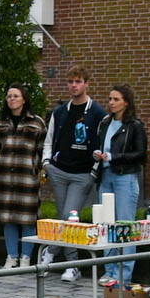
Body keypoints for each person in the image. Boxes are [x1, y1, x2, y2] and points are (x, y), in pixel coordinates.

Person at [42, 67, 105, 283]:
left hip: (82, 174)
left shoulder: (97, 113)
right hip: (59, 170)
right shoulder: (60, 112)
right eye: (70, 82)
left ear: (87, 83)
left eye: (78, 81)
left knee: (69, 216)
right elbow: (49, 138)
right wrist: (47, 163)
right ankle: (71, 264)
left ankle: (54, 252)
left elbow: (102, 142)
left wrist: (93, 172)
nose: (73, 86)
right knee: (65, 216)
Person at [93, 84, 149, 287]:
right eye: (109, 99)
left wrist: (114, 157)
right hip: (106, 174)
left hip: (125, 177)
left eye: (116, 99)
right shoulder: (106, 123)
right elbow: (101, 146)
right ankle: (109, 270)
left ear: (126, 102)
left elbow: (141, 154)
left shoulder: (135, 125)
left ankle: (124, 274)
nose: (111, 103)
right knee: (107, 224)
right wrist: (99, 155)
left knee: (125, 225)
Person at [0, 84, 47, 269]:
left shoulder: (36, 122)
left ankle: (25, 258)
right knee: (8, 219)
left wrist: (34, 168)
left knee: (27, 219)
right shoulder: (1, 122)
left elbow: (41, 149)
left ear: (24, 98)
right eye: (9, 96)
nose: (12, 99)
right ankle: (11, 256)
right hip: (5, 178)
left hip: (27, 178)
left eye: (16, 96)